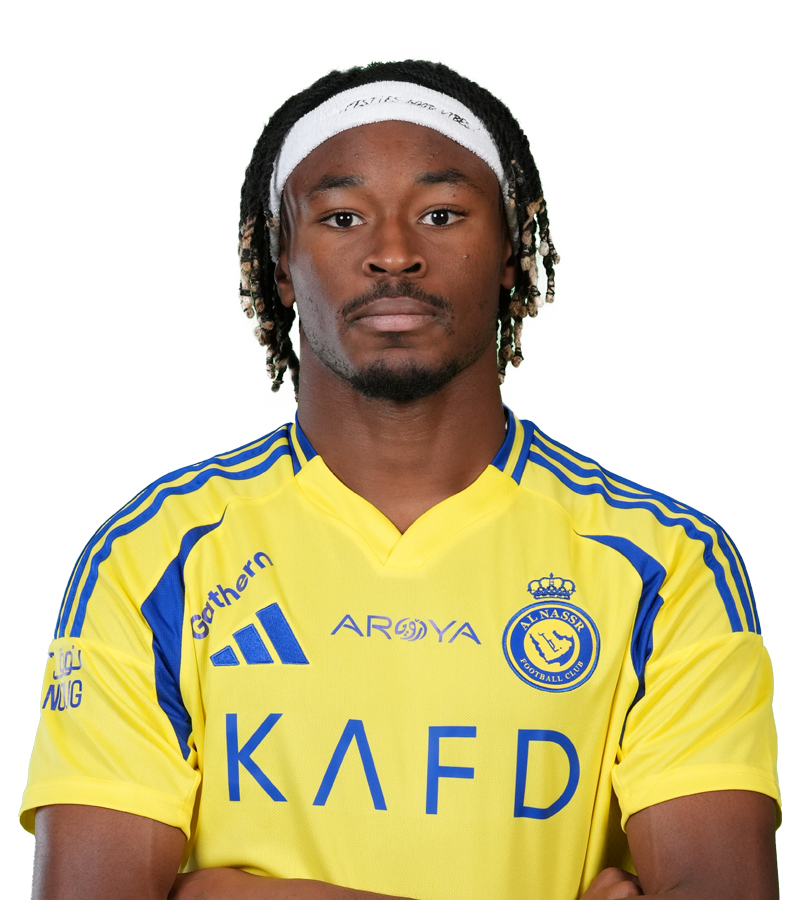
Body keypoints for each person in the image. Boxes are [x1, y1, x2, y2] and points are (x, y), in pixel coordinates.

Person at [20, 59, 780, 900]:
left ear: (510, 251)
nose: (392, 254)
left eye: (441, 214)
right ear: (281, 264)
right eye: (342, 217)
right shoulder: (151, 557)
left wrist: (224, 894)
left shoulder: (665, 562)